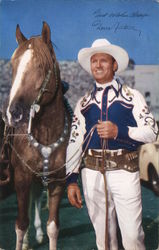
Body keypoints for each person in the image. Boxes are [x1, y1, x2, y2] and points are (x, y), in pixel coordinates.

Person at [66, 38, 158, 250]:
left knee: (133, 236)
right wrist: (71, 180)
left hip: (124, 171)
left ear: (114, 64)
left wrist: (120, 132)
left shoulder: (131, 97)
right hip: (91, 175)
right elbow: (74, 142)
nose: (97, 65)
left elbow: (152, 131)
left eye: (103, 60)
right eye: (94, 61)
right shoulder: (83, 103)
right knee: (104, 239)